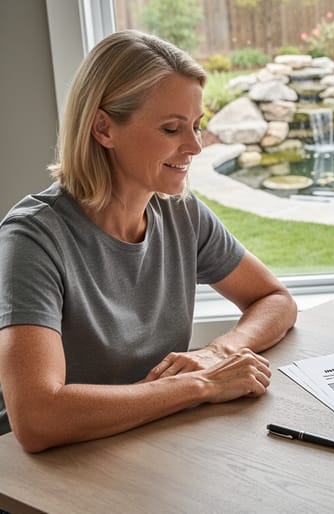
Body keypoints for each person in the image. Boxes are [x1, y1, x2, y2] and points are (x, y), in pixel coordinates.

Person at [0, 30, 298, 453]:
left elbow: (275, 299)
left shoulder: (181, 214)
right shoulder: (33, 238)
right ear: (103, 128)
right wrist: (201, 384)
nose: (195, 146)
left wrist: (219, 352)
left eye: (196, 125)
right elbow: (37, 419)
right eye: (172, 128)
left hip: (143, 440)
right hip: (44, 471)